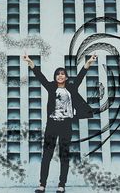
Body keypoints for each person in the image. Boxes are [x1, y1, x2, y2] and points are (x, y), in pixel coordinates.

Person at [23, 53, 97, 193]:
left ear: (66, 77)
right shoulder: (51, 87)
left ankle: (61, 185)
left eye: (63, 74)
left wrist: (88, 63)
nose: (60, 76)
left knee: (64, 155)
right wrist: (31, 63)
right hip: (52, 124)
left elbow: (81, 76)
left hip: (66, 125)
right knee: (47, 155)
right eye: (58, 74)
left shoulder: (71, 88)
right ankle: (42, 185)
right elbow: (40, 77)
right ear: (55, 77)